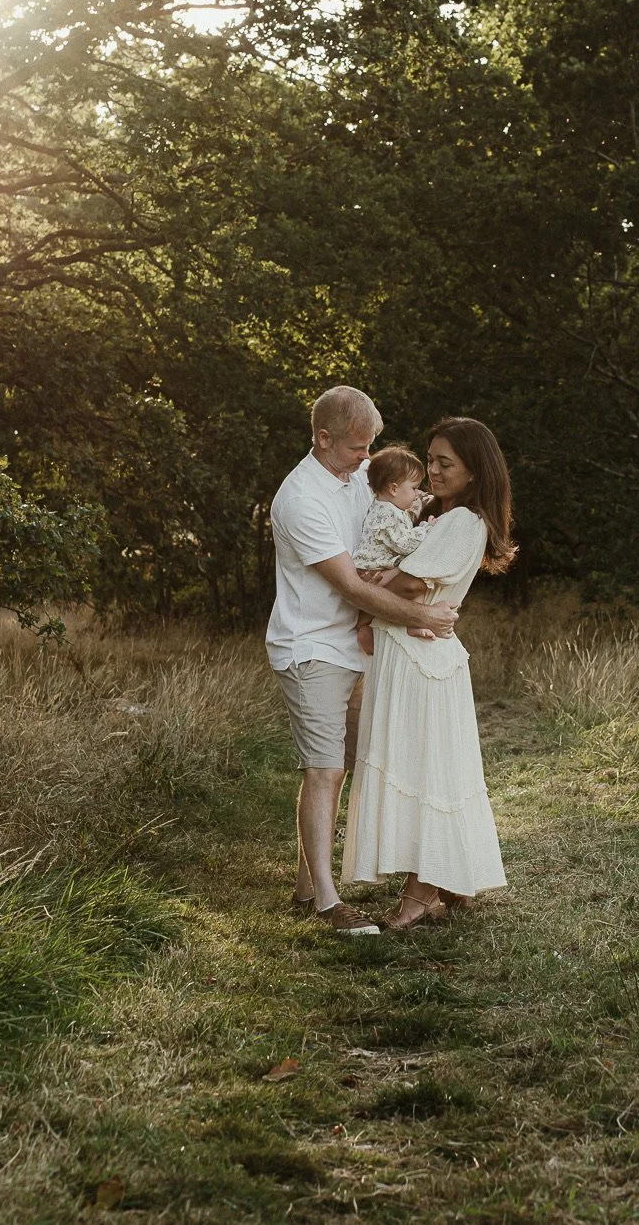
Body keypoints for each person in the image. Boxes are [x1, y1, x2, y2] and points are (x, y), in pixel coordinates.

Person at [268, 387, 460, 937]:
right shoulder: (301, 499)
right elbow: (351, 585)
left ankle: (308, 885)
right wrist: (418, 615)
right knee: (325, 768)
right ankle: (330, 905)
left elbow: (391, 523)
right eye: (357, 446)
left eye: (370, 444)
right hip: (311, 647)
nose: (367, 455)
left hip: (355, 643)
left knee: (344, 765)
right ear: (322, 439)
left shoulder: (357, 475)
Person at [342, 417, 515, 930]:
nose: (434, 471)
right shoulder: (438, 519)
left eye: (446, 463)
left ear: (474, 471)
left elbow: (413, 588)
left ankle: (422, 892)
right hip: (411, 655)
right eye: (432, 460)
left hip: (422, 663)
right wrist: (387, 580)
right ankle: (449, 878)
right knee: (427, 767)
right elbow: (404, 578)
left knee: (422, 771)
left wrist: (371, 588)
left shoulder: (464, 521)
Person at [352, 446, 437, 646]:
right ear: (393, 488)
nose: (417, 494)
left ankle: (365, 628)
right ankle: (414, 621)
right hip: (374, 569)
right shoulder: (387, 513)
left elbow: (404, 522)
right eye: (414, 488)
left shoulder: (386, 507)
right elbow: (405, 544)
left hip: (374, 567)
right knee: (416, 579)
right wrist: (428, 528)